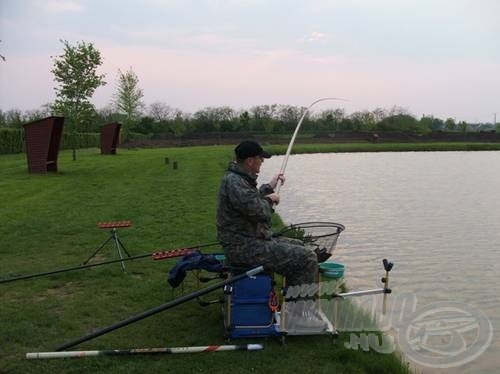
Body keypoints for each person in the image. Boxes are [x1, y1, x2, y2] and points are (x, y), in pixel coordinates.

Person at [216, 140, 327, 330]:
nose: (262, 162)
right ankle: (298, 316)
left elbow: (250, 199)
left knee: (300, 246)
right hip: (245, 248)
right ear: (250, 160)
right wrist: (269, 200)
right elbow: (260, 211)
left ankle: (295, 306)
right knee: (306, 258)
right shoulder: (235, 182)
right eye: (260, 158)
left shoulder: (238, 178)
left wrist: (269, 186)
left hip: (252, 239)